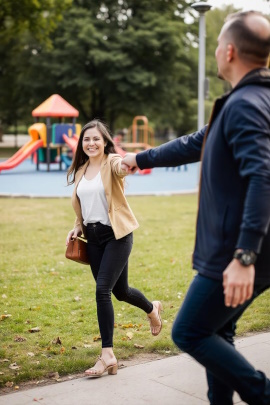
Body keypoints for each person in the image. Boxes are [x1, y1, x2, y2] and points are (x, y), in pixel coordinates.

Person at [122, 11, 270, 405]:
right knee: (218, 332)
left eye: (219, 43)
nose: (218, 50)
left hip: (234, 251)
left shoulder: (245, 105)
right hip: (242, 246)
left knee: (189, 331)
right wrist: (140, 158)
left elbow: (263, 178)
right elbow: (195, 142)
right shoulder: (251, 100)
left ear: (230, 50)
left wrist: (244, 255)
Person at [66, 120, 162, 378]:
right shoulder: (81, 169)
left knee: (102, 290)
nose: (91, 143)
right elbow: (83, 204)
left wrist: (127, 162)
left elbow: (122, 168)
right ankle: (152, 309)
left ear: (105, 141)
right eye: (86, 139)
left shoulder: (112, 163)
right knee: (120, 291)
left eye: (96, 139)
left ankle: (107, 355)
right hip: (94, 239)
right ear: (81, 143)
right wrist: (77, 226)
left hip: (117, 235)